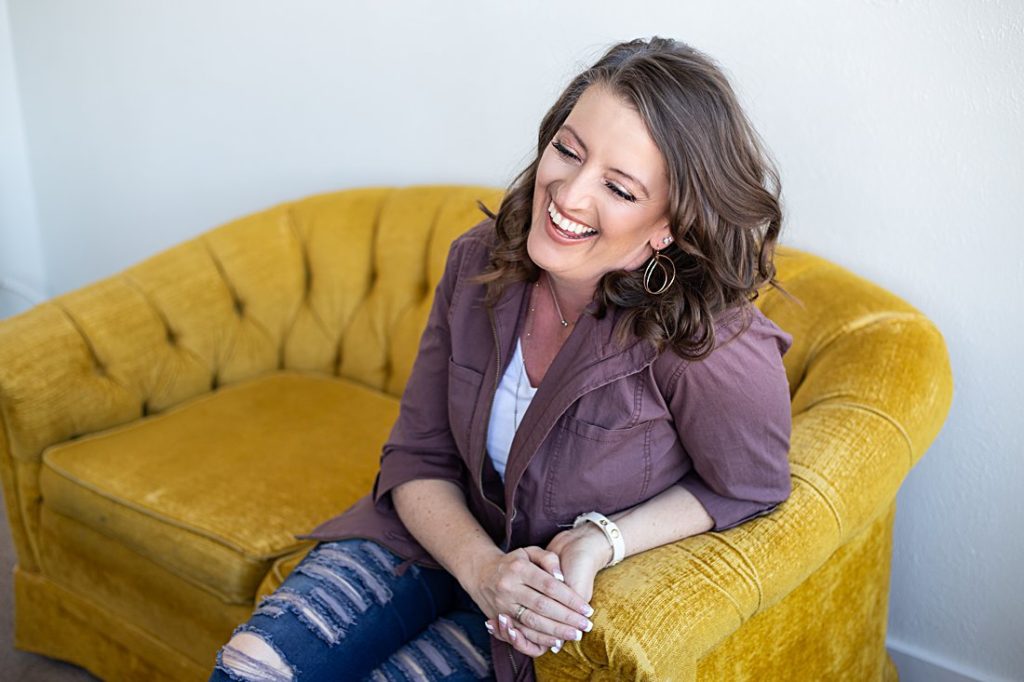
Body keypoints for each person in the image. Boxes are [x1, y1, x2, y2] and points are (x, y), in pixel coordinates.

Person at [209, 35, 796, 682]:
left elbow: (751, 482)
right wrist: (482, 569)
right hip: (442, 543)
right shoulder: (479, 262)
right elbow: (418, 456)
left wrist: (605, 538)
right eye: (567, 151)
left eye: (620, 188)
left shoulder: (706, 339)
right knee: (250, 666)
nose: (569, 195)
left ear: (669, 224)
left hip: (538, 599)